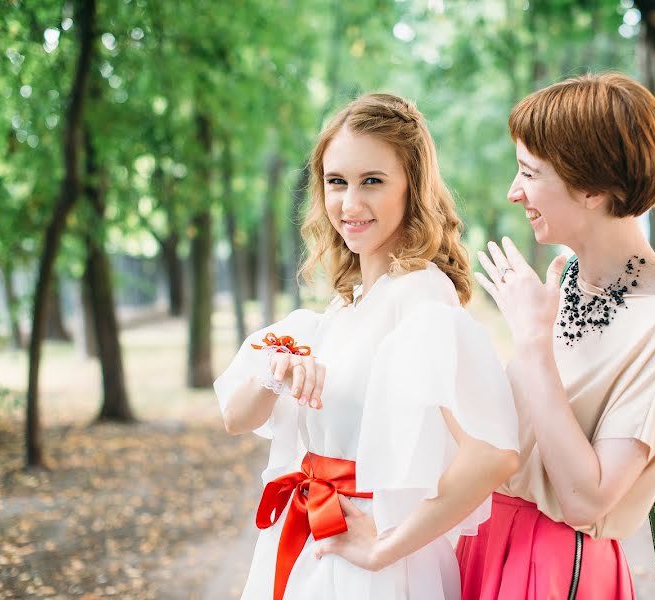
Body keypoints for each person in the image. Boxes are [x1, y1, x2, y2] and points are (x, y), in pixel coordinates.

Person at [214, 93, 521, 600]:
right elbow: (235, 417)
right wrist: (276, 373)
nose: (349, 205)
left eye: (372, 182)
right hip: (308, 545)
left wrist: (385, 548)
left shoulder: (420, 297)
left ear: (412, 188)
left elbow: (493, 453)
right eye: (337, 182)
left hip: (372, 569)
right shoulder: (342, 308)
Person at [456, 73, 655, 599]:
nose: (513, 191)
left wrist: (531, 343)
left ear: (591, 188)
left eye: (529, 172)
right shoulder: (563, 277)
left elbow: (587, 501)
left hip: (550, 566)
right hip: (482, 539)